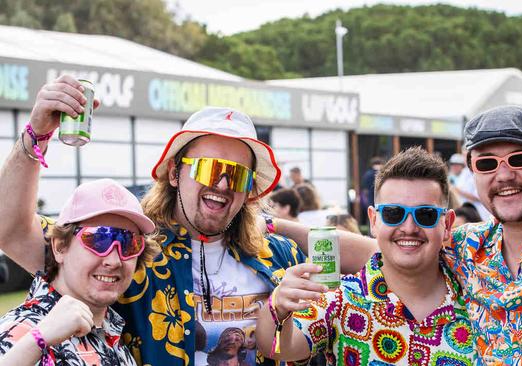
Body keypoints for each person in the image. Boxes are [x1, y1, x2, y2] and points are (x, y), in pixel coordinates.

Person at [270, 4, 522, 364]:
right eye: (488, 163)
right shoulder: (471, 247)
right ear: (473, 172)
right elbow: (381, 245)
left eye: (520, 159)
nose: (504, 175)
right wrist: (272, 226)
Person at [0, 75, 305, 366]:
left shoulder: (280, 254)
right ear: (174, 172)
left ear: (249, 188)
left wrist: (277, 225)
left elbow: (350, 259)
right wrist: (36, 134)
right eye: (208, 169)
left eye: (237, 175)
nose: (223, 184)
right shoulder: (129, 246)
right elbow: (11, 231)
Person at [257, 147, 475, 365]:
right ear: (373, 221)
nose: (409, 227)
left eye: (425, 215)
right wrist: (280, 308)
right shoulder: (340, 300)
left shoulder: (478, 295)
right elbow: (277, 348)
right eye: (393, 214)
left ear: (446, 224)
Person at [0, 179, 157, 365]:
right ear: (59, 247)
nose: (114, 261)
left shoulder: (111, 330)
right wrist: (37, 341)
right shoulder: (22, 332)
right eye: (99, 239)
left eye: (129, 244)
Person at [360, 157, 384, 224]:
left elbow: (365, 190)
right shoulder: (383, 174)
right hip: (382, 200)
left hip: (371, 200)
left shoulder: (368, 174)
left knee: (371, 218)